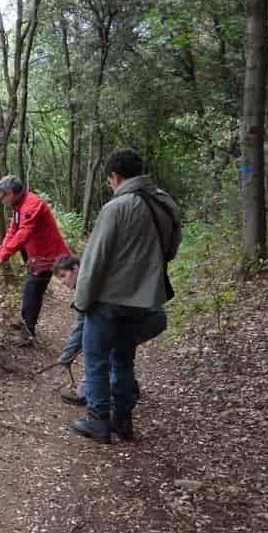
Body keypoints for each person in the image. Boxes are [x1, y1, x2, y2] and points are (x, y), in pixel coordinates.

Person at [72, 149, 181, 443]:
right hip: (144, 300)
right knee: (123, 358)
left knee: (96, 359)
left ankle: (98, 421)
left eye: (110, 180)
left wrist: (82, 302)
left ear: (115, 177)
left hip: (109, 300)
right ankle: (123, 421)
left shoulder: (116, 207)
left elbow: (95, 261)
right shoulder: (166, 203)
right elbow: (170, 250)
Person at [52, 255, 167, 407]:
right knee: (118, 350)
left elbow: (82, 327)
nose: (62, 282)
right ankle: (129, 389)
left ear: (75, 268)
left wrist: (67, 356)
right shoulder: (90, 278)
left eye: (63, 276)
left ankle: (89, 394)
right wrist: (68, 355)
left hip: (146, 318)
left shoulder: (88, 285)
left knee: (108, 349)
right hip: (149, 315)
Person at [0, 175, 71, 346]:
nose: (1, 201)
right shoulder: (18, 206)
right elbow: (13, 231)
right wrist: (0, 254)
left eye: (2, 196)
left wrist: (3, 256)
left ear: (11, 193)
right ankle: (28, 332)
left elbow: (23, 234)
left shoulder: (32, 204)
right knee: (31, 292)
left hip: (53, 257)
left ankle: (99, 316)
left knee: (79, 285)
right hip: (40, 260)